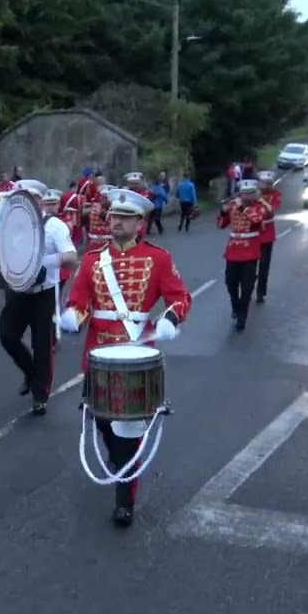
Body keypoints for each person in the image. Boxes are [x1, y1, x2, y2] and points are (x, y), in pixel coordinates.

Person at [59, 189, 192, 526]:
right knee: (103, 423)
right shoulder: (92, 260)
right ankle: (119, 462)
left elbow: (180, 298)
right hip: (99, 356)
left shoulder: (158, 258)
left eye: (124, 217)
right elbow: (79, 301)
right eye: (113, 216)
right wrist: (73, 316)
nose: (116, 221)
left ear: (139, 223)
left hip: (137, 358)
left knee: (128, 434)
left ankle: (124, 500)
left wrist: (170, 319)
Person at [0, 180, 77, 416]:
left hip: (43, 292)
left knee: (42, 345)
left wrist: (43, 262)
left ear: (40, 201)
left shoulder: (55, 226)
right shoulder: (7, 225)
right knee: (7, 336)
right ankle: (31, 373)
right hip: (17, 291)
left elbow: (71, 257)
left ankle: (40, 395)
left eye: (31, 198)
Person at [217, 180, 268, 331]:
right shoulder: (233, 205)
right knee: (230, 283)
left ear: (254, 194)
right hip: (233, 251)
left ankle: (242, 318)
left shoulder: (259, 207)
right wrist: (223, 212)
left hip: (250, 252)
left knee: (247, 287)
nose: (245, 196)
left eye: (249, 193)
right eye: (243, 193)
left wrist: (242, 207)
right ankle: (235, 306)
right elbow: (221, 225)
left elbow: (257, 220)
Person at [253, 171, 283, 303]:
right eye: (264, 183)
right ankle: (249, 283)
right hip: (253, 234)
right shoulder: (253, 195)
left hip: (267, 234)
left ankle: (261, 292)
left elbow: (271, 210)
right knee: (250, 265)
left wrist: (260, 201)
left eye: (268, 183)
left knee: (264, 265)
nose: (266, 186)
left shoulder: (275, 195)